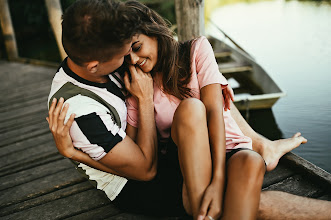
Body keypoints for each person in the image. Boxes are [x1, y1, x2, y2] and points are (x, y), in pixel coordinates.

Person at [47, 0, 330, 219]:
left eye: (131, 48)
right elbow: (144, 168)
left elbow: (217, 107)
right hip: (136, 182)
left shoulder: (185, 52)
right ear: (95, 65)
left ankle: (263, 147)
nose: (128, 59)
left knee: (246, 158)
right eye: (122, 54)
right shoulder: (84, 109)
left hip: (217, 151)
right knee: (242, 201)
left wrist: (232, 158)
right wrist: (72, 153)